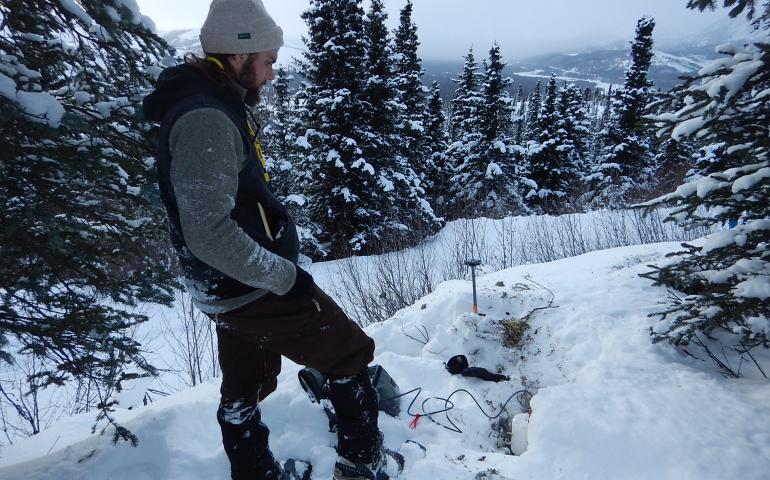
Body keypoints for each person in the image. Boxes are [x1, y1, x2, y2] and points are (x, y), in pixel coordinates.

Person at [143, 1, 403, 479]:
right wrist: (286, 277)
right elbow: (208, 231)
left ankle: (256, 473)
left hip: (227, 286)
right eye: (268, 60)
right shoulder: (206, 119)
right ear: (237, 56)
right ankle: (362, 465)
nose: (272, 72)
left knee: (248, 382)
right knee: (348, 353)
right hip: (250, 285)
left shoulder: (215, 104)